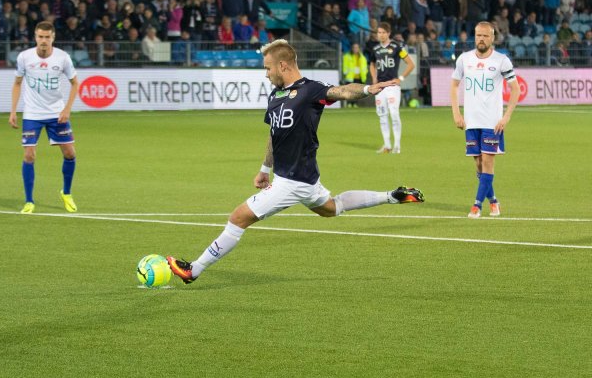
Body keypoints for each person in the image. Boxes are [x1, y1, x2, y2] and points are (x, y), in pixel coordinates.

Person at [166, 39, 425, 284]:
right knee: (332, 208)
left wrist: (368, 89)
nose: (266, 74)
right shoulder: (275, 96)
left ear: (283, 65)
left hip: (292, 181)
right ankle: (393, 196)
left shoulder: (310, 90)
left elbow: (343, 91)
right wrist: (264, 169)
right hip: (303, 178)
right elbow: (273, 134)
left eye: (268, 68)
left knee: (238, 218)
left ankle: (193, 270)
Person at [450, 22, 520, 218]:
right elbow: (454, 86)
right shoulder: (464, 59)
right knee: (479, 164)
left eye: (485, 36)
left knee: (488, 162)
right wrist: (456, 113)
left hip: (492, 122)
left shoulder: (501, 60)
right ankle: (494, 201)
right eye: (478, 35)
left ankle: (477, 205)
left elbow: (515, 89)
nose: (481, 39)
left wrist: (506, 117)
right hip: (471, 121)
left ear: (492, 38)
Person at [9, 21, 80, 214]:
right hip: (32, 114)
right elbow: (17, 83)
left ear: (53, 38)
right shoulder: (24, 57)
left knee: (70, 154)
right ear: (35, 37)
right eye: (40, 37)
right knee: (29, 155)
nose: (43, 41)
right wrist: (13, 111)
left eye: (47, 37)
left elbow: (75, 83)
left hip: (56, 113)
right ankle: (29, 201)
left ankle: (66, 193)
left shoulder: (63, 58)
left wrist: (67, 109)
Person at [368, 22, 415, 154]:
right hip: (380, 87)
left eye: (383, 32)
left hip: (392, 86)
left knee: (394, 114)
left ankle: (397, 146)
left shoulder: (397, 47)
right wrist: (374, 78)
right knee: (382, 115)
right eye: (379, 32)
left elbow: (411, 64)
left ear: (388, 33)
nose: (381, 35)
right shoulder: (375, 49)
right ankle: (387, 145)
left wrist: (400, 79)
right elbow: (372, 64)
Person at [341, 42, 368, 108]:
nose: (355, 49)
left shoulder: (362, 57)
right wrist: (345, 73)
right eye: (354, 47)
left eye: (357, 47)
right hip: (350, 76)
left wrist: (365, 74)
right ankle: (349, 103)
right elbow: (345, 66)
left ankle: (355, 103)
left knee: (357, 92)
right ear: (352, 48)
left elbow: (365, 67)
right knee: (350, 91)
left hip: (359, 77)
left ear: (359, 49)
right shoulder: (347, 56)